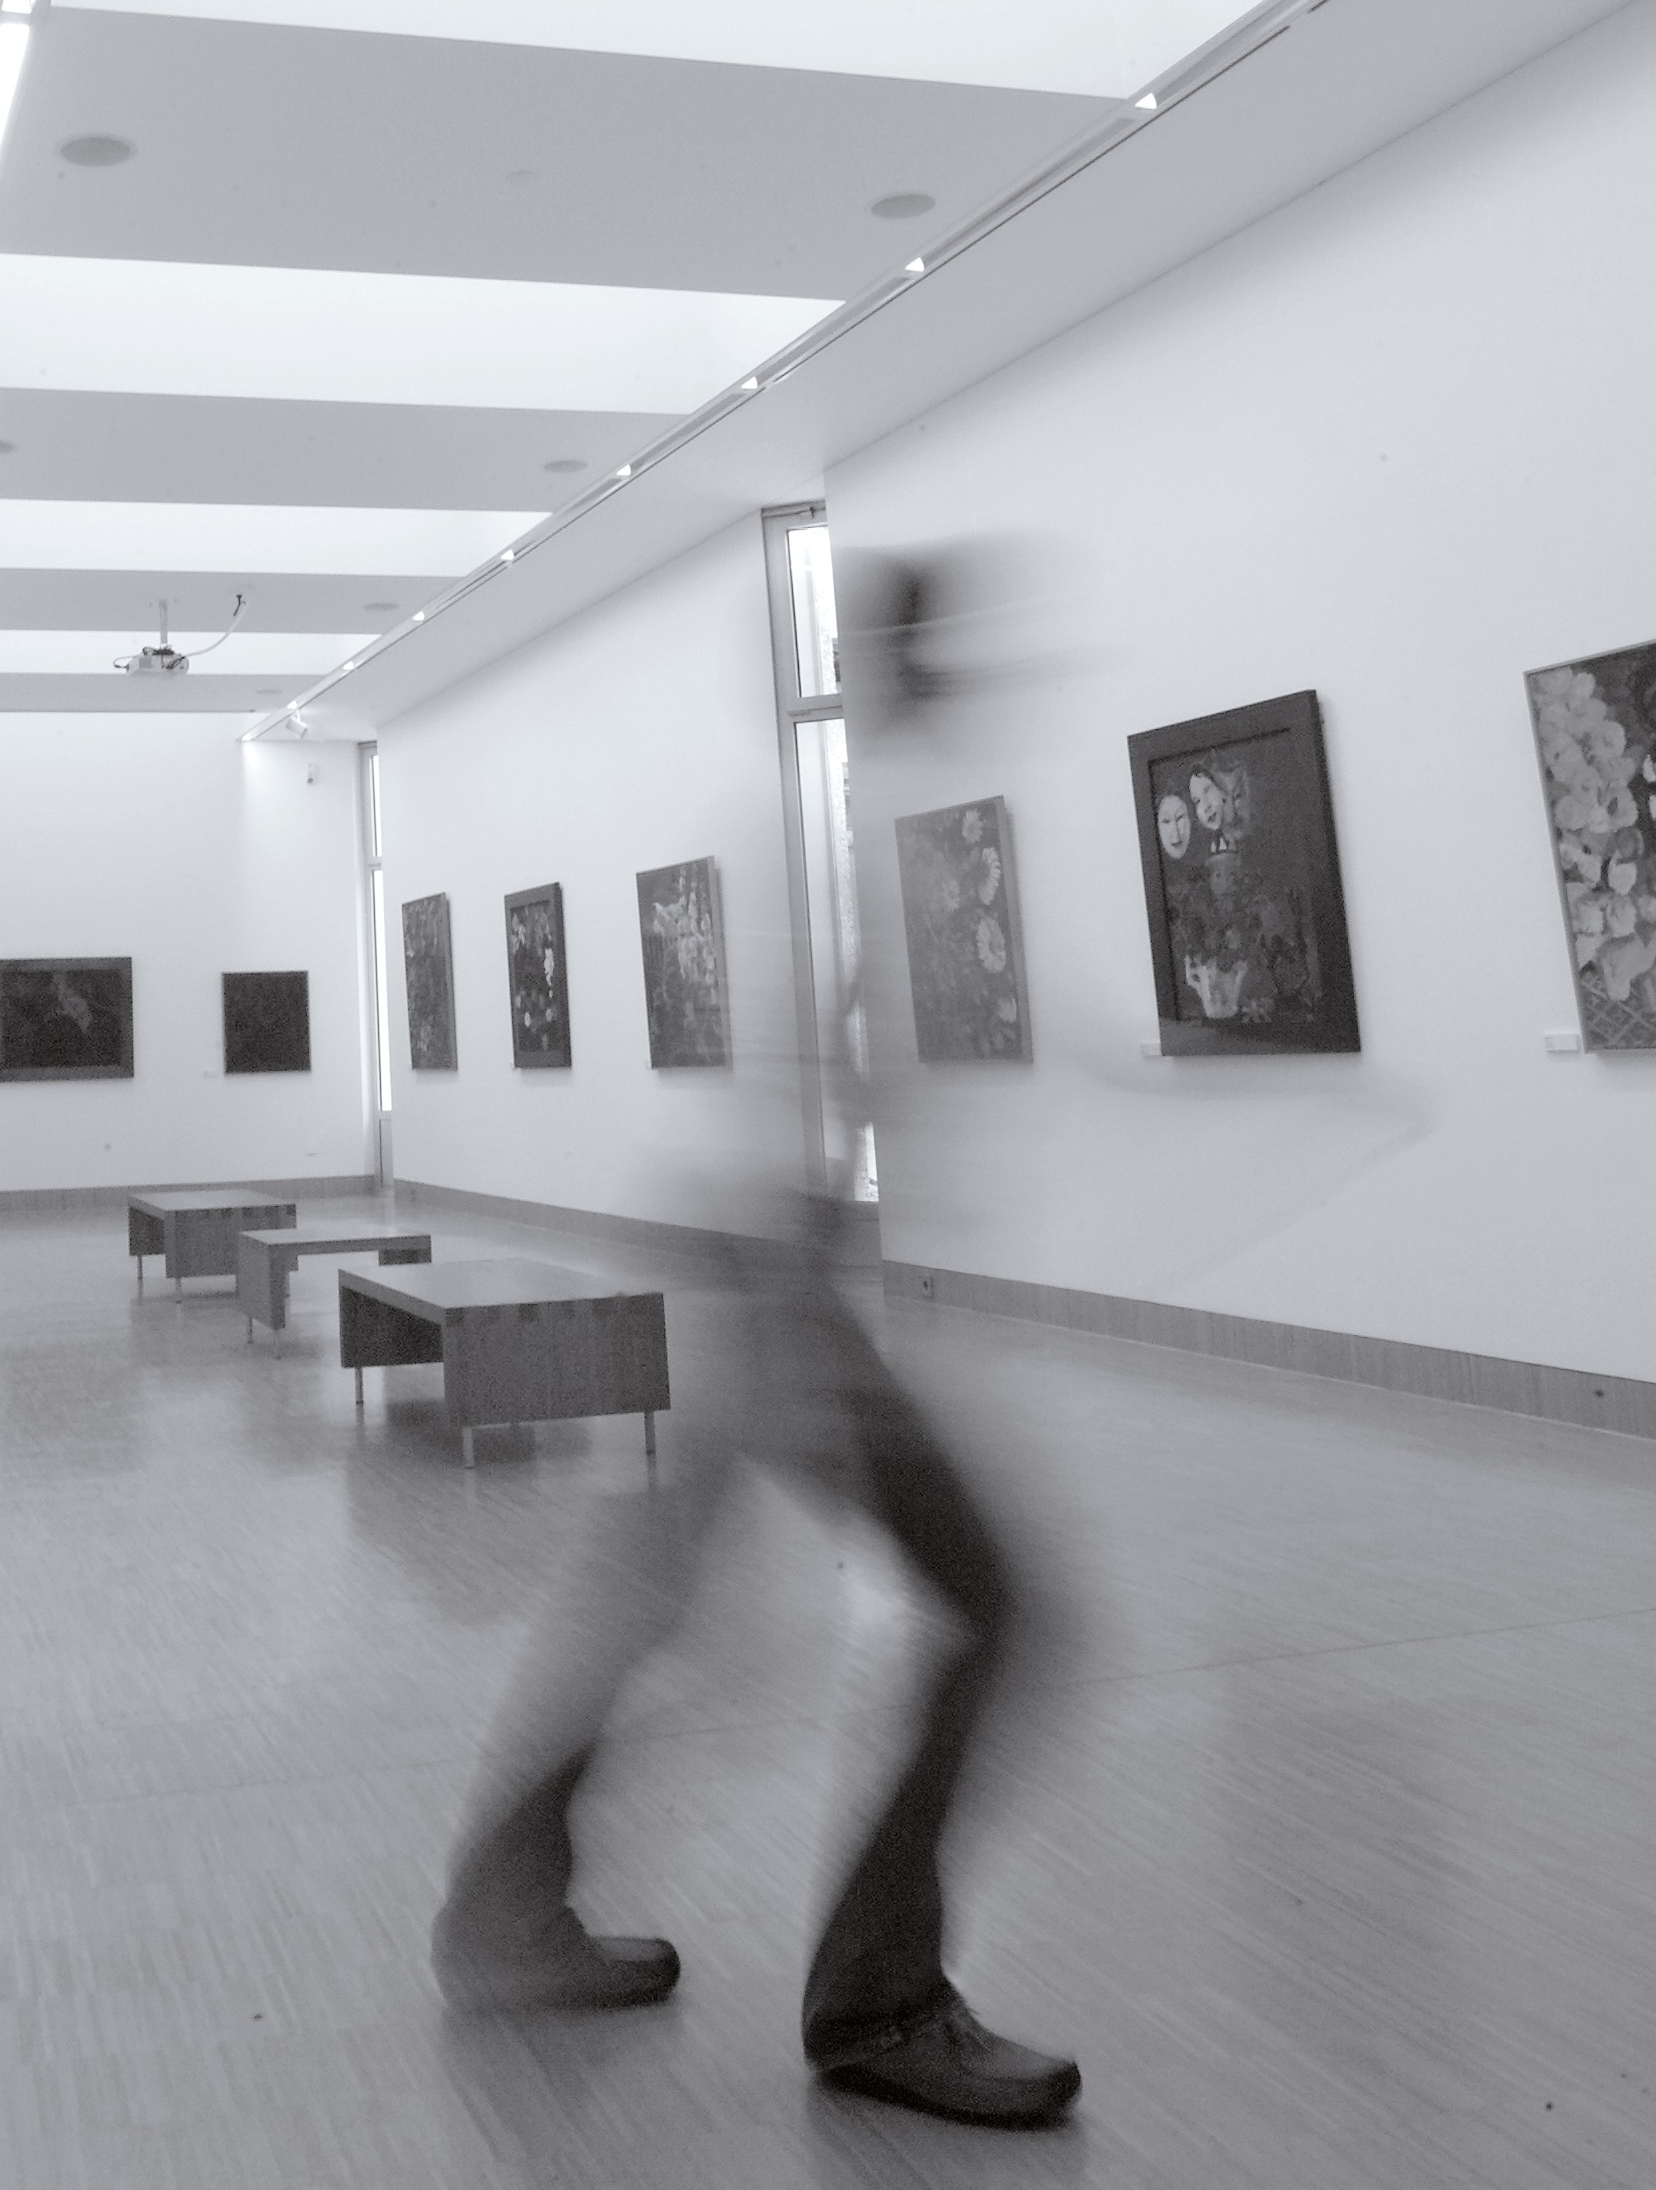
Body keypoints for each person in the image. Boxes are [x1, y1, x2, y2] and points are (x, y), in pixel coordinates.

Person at [427, 543, 1080, 2130]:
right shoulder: (823, 832)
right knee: (995, 1606)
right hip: (763, 1279)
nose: (956, 668)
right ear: (889, 655)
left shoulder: (842, 825)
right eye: (935, 642)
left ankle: (502, 1917)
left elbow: (839, 1071)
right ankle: (879, 2002)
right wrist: (795, 1333)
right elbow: (784, 1091)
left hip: (757, 1273)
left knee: (648, 1599)